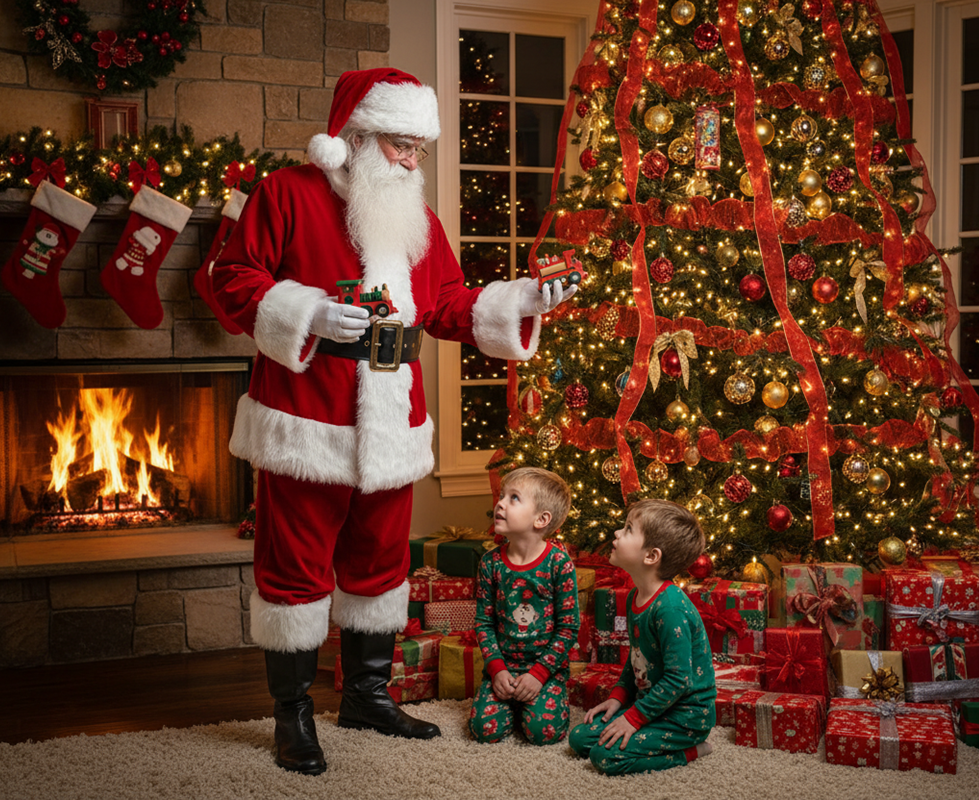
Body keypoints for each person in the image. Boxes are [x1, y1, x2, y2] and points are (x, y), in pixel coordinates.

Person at [209, 68, 576, 776]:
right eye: (401, 146)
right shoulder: (285, 194)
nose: (412, 161)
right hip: (304, 416)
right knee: (294, 569)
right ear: (356, 136)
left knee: (380, 564)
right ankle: (292, 716)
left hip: (394, 414)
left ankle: (366, 696)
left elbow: (444, 303)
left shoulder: (414, 216)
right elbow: (230, 280)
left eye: (419, 148)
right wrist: (309, 310)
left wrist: (526, 298)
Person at [568, 499, 716, 775]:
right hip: (651, 705)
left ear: (651, 556)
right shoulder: (637, 596)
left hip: (684, 717)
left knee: (605, 757)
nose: (617, 534)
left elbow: (678, 680)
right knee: (579, 738)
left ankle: (692, 750)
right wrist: (619, 697)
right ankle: (641, 724)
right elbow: (637, 658)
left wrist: (633, 719)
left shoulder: (670, 609)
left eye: (627, 529)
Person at [468, 467, 579, 745]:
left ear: (541, 519)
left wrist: (540, 675)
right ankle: (510, 701)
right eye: (502, 496)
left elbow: (568, 628)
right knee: (483, 730)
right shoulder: (490, 563)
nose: (500, 503)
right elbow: (484, 623)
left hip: (544, 670)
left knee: (543, 733)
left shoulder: (559, 564)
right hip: (503, 667)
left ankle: (538, 700)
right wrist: (496, 669)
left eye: (514, 498)